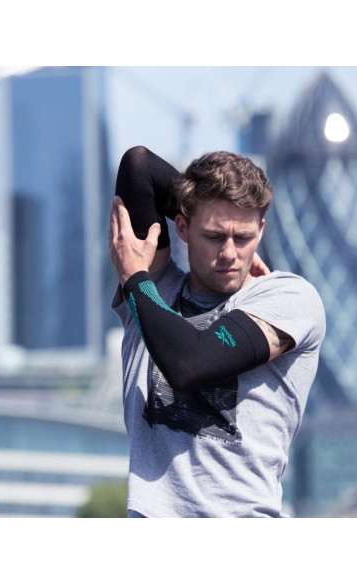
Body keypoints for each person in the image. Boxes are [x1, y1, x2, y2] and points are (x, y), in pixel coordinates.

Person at [109, 145, 326, 518]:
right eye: (213, 236)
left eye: (243, 238)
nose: (229, 253)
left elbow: (189, 364)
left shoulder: (290, 299)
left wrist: (135, 279)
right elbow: (138, 165)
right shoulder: (158, 290)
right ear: (182, 228)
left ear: (261, 230)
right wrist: (198, 201)